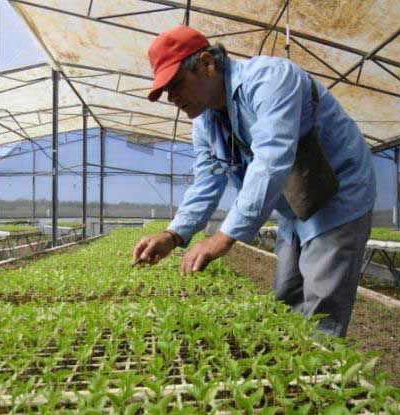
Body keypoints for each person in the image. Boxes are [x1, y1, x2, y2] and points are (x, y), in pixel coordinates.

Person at [132, 25, 376, 337]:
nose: (173, 98)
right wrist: (172, 235)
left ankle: (318, 377)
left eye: (176, 84)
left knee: (320, 311)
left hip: (339, 197)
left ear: (207, 64)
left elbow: (272, 160)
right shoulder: (204, 122)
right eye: (167, 92)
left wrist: (222, 238)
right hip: (294, 201)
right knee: (286, 296)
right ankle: (293, 372)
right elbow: (208, 180)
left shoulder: (270, 79)